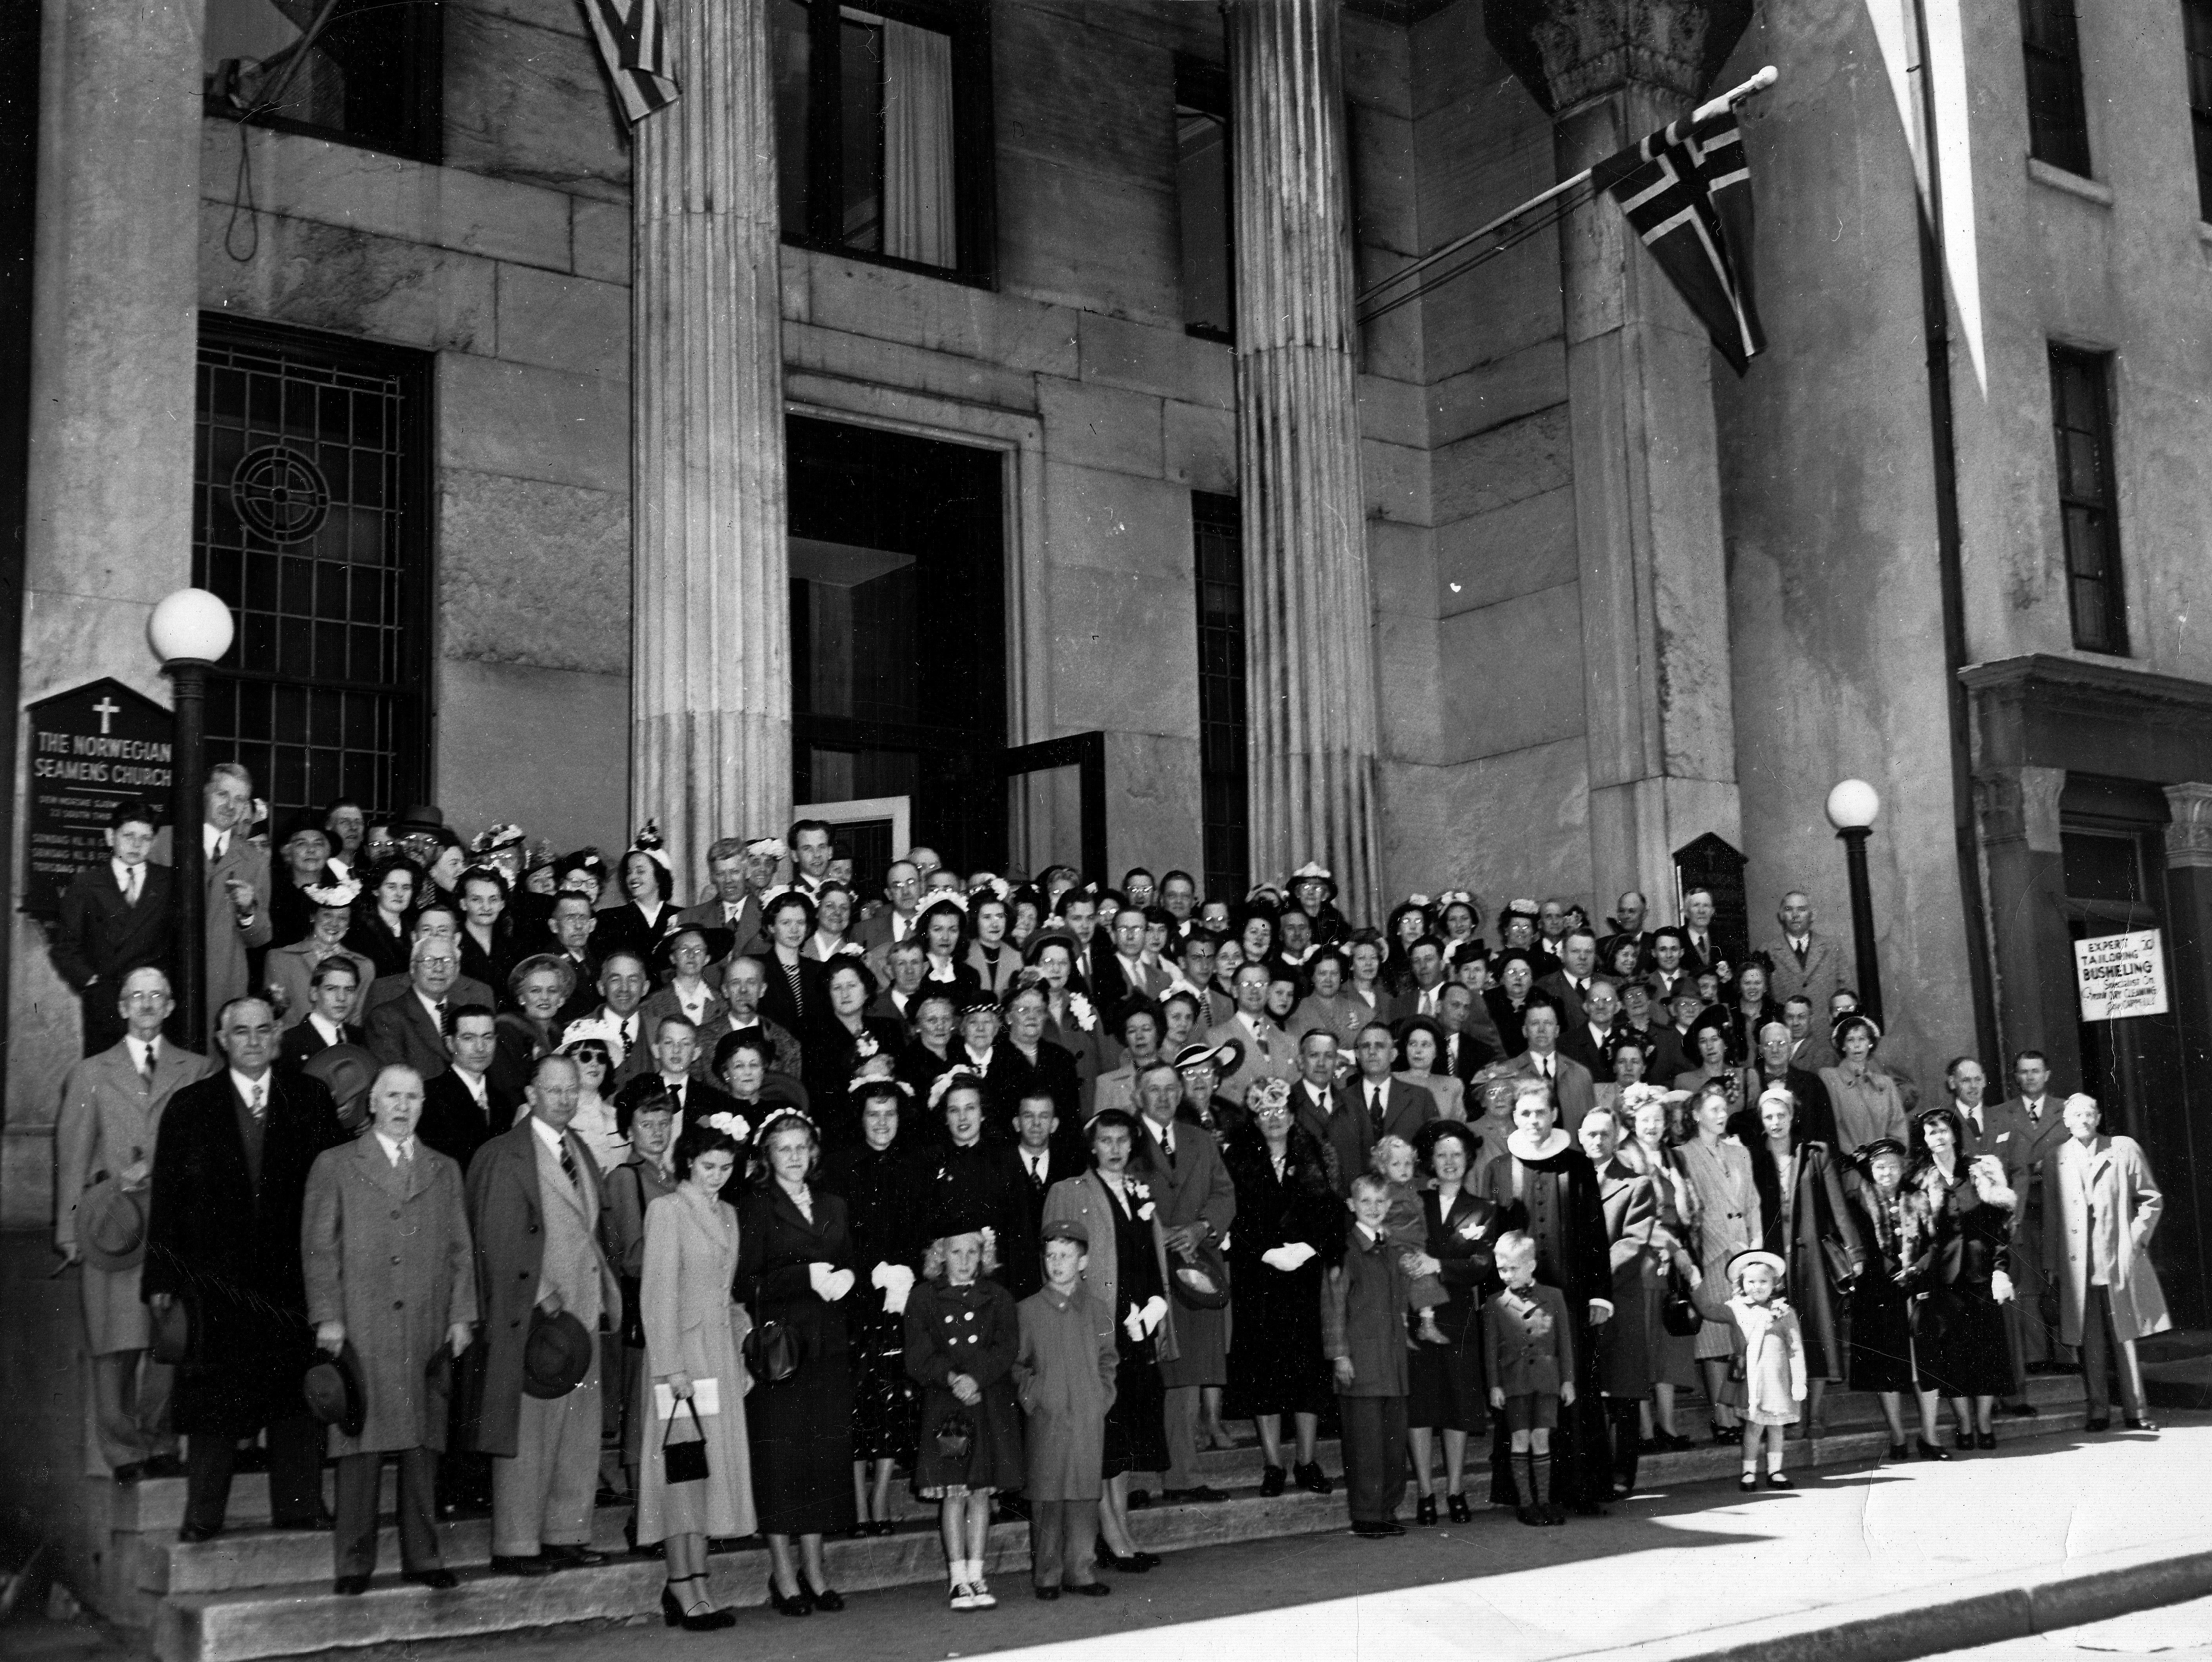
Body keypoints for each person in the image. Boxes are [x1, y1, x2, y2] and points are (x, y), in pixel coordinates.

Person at [142, 994, 346, 1540]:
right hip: (216, 1285)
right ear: (222, 1038)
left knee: (293, 1398)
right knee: (214, 1405)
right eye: (241, 1030)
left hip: (291, 1280)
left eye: (263, 1029)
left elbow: (333, 1198)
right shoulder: (190, 1106)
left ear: (278, 1036)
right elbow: (166, 1198)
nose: (253, 1040)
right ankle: (202, 1515)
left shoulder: (310, 1098)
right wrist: (161, 1278)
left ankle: (300, 1506)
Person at [301, 1063, 478, 1594]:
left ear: (424, 1105)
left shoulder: (443, 1168)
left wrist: (461, 1315)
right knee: (360, 1443)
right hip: (362, 1322)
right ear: (372, 1103)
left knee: (425, 1443)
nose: (403, 1106)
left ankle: (423, 1556)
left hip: (426, 1323)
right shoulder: (336, 1164)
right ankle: (354, 1562)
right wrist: (327, 1315)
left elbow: (460, 1249)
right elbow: (319, 1246)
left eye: (413, 1097)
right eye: (393, 1096)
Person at [466, 1053, 621, 1577]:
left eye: (570, 1090)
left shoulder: (579, 1149)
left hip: (584, 1310)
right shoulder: (503, 1154)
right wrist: (540, 1293)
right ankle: (515, 1542)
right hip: (533, 1316)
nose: (563, 1098)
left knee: (578, 1429)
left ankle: (565, 1534)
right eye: (552, 1090)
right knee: (528, 1432)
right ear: (530, 1093)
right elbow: (491, 1238)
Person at [54, 967, 212, 1480]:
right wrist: (67, 1229)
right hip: (113, 1226)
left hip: (175, 1223)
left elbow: (209, 1152)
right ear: (122, 1007)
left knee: (167, 1336)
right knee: (116, 1341)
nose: (146, 1004)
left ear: (169, 1007)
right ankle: (123, 1448)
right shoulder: (91, 1072)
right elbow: (72, 1156)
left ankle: (162, 1440)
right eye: (136, 996)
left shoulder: (198, 1069)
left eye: (156, 996)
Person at [636, 1109, 756, 1631]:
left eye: (726, 1166)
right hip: (681, 1359)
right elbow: (656, 1296)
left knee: (705, 1474)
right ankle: (681, 1585)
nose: (717, 1175)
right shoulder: (667, 1209)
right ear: (688, 1162)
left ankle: (699, 1579)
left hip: (719, 1358)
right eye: (708, 1165)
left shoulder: (729, 1213)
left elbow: (726, 1292)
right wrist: (670, 1367)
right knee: (682, 1473)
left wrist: (744, 1343)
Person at [736, 1108, 858, 1614]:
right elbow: (746, 1282)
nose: (792, 1156)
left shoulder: (832, 1202)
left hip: (828, 1347)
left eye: (800, 1147)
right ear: (768, 1154)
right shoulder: (756, 1205)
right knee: (782, 1461)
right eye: (782, 1148)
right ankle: (783, 1575)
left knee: (822, 1461)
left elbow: (850, 1256)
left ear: (813, 1151)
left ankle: (815, 1569)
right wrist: (802, 1277)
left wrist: (849, 1276)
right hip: (781, 1351)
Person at [1040, 1109, 1170, 1577]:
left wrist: (1158, 1306)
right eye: (1106, 1141)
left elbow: (1150, 1257)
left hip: (1135, 1331)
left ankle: (1123, 1531)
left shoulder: (1140, 1190)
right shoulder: (1068, 1192)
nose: (1114, 1148)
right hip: (1091, 1332)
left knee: (1124, 1436)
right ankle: (1112, 1538)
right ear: (1093, 1145)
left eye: (1122, 1141)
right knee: (1101, 1435)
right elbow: (1055, 1266)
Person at [1478, 1080, 1616, 1514]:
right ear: (1513, 1118)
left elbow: (1596, 1234)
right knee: (1523, 1399)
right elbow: (1491, 1239)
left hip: (1570, 1301)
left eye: (1540, 1112)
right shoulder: (1499, 1168)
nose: (1533, 1121)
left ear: (1554, 1115)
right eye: (1525, 1114)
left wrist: (1599, 1294)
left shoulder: (1577, 1164)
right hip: (1517, 1306)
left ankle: (1581, 1489)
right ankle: (1525, 1495)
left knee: (1574, 1390)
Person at [1221, 1078, 1343, 1497]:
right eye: (1264, 1113)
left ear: (1292, 1114)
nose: (1273, 1119)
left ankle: (1307, 1462)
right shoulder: (1237, 1158)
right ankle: (1273, 1464)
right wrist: (1265, 1252)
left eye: (1280, 1111)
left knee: (1307, 1368)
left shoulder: (1316, 1153)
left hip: (1304, 1274)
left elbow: (1331, 1211)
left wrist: (1308, 1248)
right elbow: (1233, 1215)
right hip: (1258, 1276)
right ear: (1254, 1119)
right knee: (1263, 1369)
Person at [819, 1078, 927, 1536]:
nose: (882, 1124)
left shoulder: (914, 1164)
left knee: (892, 1399)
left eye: (890, 1115)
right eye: (873, 1114)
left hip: (900, 1297)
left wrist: (907, 1275)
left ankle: (881, 1494)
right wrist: (871, 1272)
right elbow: (835, 1233)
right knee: (856, 1399)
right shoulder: (840, 1167)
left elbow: (922, 1230)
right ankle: (856, 1498)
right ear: (860, 1118)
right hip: (854, 1297)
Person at [1128, 1060, 1236, 1502]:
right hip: (1145, 1268)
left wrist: (1200, 1229)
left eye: (1172, 1089)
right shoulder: (1124, 1139)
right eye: (1154, 1090)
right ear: (1138, 1095)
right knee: (1142, 1374)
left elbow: (1224, 1193)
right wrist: (1162, 1235)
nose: (1164, 1097)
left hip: (1196, 1269)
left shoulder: (1201, 1140)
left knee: (1188, 1376)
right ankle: (1136, 1478)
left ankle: (1183, 1476)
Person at [905, 1221, 1024, 1613]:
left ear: (984, 1254)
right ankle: (958, 1579)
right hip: (948, 1409)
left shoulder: (999, 1296)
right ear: (940, 1254)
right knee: (954, 1492)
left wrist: (977, 1377)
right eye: (955, 1251)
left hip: (987, 1403)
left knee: (979, 1492)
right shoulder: (924, 1297)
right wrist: (953, 1378)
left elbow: (1007, 1347)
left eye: (973, 1251)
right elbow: (918, 1355)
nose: (964, 1260)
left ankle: (978, 1573)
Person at [1580, 1105, 1693, 1499]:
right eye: (1590, 1134)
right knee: (1589, 1390)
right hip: (1579, 1301)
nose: (1597, 1141)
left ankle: (1622, 1473)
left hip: (1620, 1295)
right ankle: (1591, 1473)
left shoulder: (1637, 1184)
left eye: (1604, 1134)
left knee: (1624, 1389)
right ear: (1580, 1136)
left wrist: (1590, 1279)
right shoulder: (1568, 1181)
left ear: (1616, 1138)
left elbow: (1633, 1242)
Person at [2045, 1092, 2169, 1433]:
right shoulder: (2055, 1156)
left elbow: (2151, 1200)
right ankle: (2098, 1410)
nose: (2083, 1120)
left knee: (2125, 1336)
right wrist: (2051, 1266)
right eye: (2076, 1115)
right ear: (2065, 1121)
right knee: (2091, 1341)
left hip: (2116, 1258)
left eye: (2089, 1114)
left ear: (2098, 1118)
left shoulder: (2122, 1148)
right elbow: (2053, 1217)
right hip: (2077, 1265)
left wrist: (2135, 1240)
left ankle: (2137, 1410)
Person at [1746, 1084, 1864, 1435]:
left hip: (1809, 1257)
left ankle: (1814, 1414)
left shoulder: (1815, 1154)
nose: (1776, 1122)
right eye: (1769, 1116)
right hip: (1769, 1262)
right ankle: (1790, 1413)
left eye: (1782, 1114)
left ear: (1792, 1116)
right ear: (1762, 1121)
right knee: (1779, 1338)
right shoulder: (1752, 1156)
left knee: (1816, 1334)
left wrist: (1854, 1251)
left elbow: (1837, 1205)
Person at [1402, 1120, 1503, 1524]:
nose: (1448, 1162)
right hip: (1417, 1312)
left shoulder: (1483, 1209)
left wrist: (1438, 1264)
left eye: (1456, 1155)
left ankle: (1456, 1491)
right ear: (1430, 1160)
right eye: (1442, 1155)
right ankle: (1427, 1493)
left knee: (1459, 1405)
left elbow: (1482, 1263)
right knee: (1422, 1406)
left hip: (1459, 1314)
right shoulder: (1413, 1201)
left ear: (1468, 1160)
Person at [1015, 1220, 1118, 1600]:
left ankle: (1081, 1569)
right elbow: (1017, 1364)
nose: (1057, 1263)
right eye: (1051, 1256)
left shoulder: (1097, 1308)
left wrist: (1102, 1396)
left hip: (1088, 1417)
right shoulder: (1027, 1310)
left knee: (1084, 1494)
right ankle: (1047, 1574)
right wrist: (1036, 1394)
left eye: (1066, 1256)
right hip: (1049, 1416)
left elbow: (1109, 1359)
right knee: (1048, 1496)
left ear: (1084, 1260)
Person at [1908, 1104, 2018, 1449]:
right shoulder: (1919, 1180)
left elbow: (1999, 1229)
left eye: (1943, 1130)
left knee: (1987, 1351)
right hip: (1942, 1278)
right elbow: (1917, 1236)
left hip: (1981, 1272)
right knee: (1953, 1353)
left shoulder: (1980, 1171)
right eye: (1931, 1132)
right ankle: (1965, 1423)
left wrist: (2001, 1271)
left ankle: (1985, 1421)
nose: (1938, 1137)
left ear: (1954, 1133)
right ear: (1925, 1140)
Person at [1842, 1136, 1950, 1459]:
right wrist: (1891, 1271)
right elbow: (1860, 1245)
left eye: (1892, 1166)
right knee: (1886, 1364)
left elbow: (1936, 1239)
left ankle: (1930, 1436)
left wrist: (1917, 1269)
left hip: (1919, 1290)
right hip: (1879, 1291)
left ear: (1902, 1168)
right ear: (1870, 1170)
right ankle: (1898, 1434)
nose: (1886, 1172)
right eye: (1879, 1166)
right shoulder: (1859, 1202)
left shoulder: (1919, 1197)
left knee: (1927, 1363)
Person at [600, 1083, 679, 1509]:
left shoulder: (675, 1176)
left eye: (664, 1123)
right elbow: (632, 1257)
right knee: (642, 1413)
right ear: (629, 1129)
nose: (656, 1132)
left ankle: (671, 1509)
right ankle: (640, 1511)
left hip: (678, 1308)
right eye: (646, 1124)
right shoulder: (625, 1178)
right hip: (644, 1311)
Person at [1326, 1172, 1413, 1538]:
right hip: (1360, 1363)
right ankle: (1366, 1513)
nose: (1374, 1208)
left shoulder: (1394, 1248)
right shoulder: (1343, 1250)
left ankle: (1388, 1508)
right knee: (1365, 1444)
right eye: (1366, 1201)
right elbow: (1332, 1306)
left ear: (1389, 1205)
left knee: (1393, 1444)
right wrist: (1339, 1355)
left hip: (1392, 1365)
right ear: (1352, 1205)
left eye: (1381, 1201)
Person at [52, 799, 175, 1056]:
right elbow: (66, 948)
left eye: (146, 837)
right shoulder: (86, 885)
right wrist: (93, 985)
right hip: (107, 1005)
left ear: (153, 842)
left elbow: (181, 944)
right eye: (128, 835)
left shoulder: (169, 883)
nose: (137, 844)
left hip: (154, 1002)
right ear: (110, 836)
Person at [1615, 1087, 1700, 1449]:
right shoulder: (1625, 1159)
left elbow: (1690, 1211)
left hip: (1675, 1265)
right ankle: (1646, 1430)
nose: (1652, 1125)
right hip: (1645, 1262)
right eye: (1645, 1119)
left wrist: (1684, 1252)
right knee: (1645, 1346)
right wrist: (1674, 1249)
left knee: (1668, 1347)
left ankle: (1666, 1424)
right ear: (1633, 1122)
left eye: (1658, 1119)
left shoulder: (1674, 1159)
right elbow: (1634, 1217)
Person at [1675, 1082, 1761, 1443]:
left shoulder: (1740, 1152)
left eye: (1724, 1108)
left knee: (1742, 1337)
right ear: (1696, 1115)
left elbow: (1753, 1202)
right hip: (1710, 1256)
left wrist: (1756, 1249)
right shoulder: (1682, 1154)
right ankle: (1721, 1418)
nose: (1722, 1114)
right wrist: (1721, 1245)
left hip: (1744, 1258)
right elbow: (1687, 1208)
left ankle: (1741, 1412)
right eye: (1713, 1109)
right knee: (1714, 1340)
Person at [1986, 1050, 2073, 1383]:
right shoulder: (1999, 1114)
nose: (2030, 1077)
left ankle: (2068, 1352)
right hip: (2020, 1206)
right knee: (2026, 1278)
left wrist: (2047, 1166)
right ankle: (2035, 1354)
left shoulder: (2066, 1110)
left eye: (2036, 1071)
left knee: (2063, 1275)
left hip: (2059, 1204)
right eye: (2023, 1072)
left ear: (2048, 1074)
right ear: (2015, 1077)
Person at [1483, 1230, 1574, 1525]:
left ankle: (1545, 1500)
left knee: (1542, 1437)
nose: (1507, 1275)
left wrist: (1568, 1380)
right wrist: (1495, 1385)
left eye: (1513, 1268)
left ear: (1531, 1266)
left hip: (1547, 1380)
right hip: (1515, 1382)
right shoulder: (1495, 1304)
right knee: (1520, 1438)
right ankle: (1526, 1503)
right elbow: (1490, 1350)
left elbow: (1564, 1342)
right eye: (1502, 1268)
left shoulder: (1554, 1296)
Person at [197, 764, 275, 1046]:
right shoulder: (166, 842)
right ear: (205, 793)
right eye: (223, 794)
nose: (231, 805)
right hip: (171, 981)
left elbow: (262, 936)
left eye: (240, 799)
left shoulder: (254, 859)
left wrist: (248, 912)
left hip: (224, 984)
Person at [1722, 1249, 1805, 1490]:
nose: (1758, 1287)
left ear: (1774, 1284)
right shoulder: (1738, 1309)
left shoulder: (1785, 1312)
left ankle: (1775, 1471)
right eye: (1751, 1282)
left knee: (1777, 1426)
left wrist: (1799, 1381)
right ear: (1742, 1284)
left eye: (1764, 1282)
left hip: (1778, 1382)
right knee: (1754, 1426)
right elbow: (1710, 1311)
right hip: (1755, 1381)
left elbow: (1796, 1348)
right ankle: (1748, 1472)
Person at [1367, 1135, 1452, 1344]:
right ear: (1384, 1168)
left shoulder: (1412, 1184)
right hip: (1396, 1244)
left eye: (1408, 1164)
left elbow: (1418, 1182)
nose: (1404, 1169)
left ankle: (1428, 1324)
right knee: (1401, 1284)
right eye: (1396, 1164)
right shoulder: (1384, 1190)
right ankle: (1402, 1330)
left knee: (1426, 1279)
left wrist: (1429, 1182)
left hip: (1416, 1244)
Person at [416, 1005, 511, 1176]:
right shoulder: (429, 1096)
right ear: (450, 1043)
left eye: (488, 1038)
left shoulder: (503, 1100)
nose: (481, 1048)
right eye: (469, 1038)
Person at [366, 937, 463, 1081]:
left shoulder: (462, 1015)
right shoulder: (386, 1017)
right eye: (429, 961)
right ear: (413, 968)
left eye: (447, 961)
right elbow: (394, 1080)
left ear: (457, 970)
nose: (439, 968)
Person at [1822, 1013, 1908, 1156]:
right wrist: (1859, 1158)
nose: (1857, 1045)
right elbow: (1834, 1129)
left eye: (1862, 1039)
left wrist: (1886, 1158)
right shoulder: (1830, 1078)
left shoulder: (1886, 1083)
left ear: (1870, 1043)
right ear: (1843, 1046)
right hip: (1850, 1165)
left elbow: (1898, 1128)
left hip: (1885, 1165)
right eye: (1850, 1040)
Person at [1760, 892, 1847, 1020]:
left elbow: (1845, 992)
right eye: (1789, 910)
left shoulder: (1833, 947)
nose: (1795, 915)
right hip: (1788, 1032)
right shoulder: (1766, 951)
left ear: (1813, 915)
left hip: (1825, 1030)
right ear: (1781, 916)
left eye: (1802, 909)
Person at [596, 833, 678, 963]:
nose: (633, 878)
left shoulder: (681, 916)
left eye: (640, 871)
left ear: (659, 878)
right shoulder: (608, 919)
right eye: (629, 872)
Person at [346, 858, 421, 984]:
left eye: (406, 888)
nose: (399, 894)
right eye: (392, 887)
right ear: (376, 890)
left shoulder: (417, 926)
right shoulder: (357, 931)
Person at [1395, 1015, 1464, 1121]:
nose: (1418, 1050)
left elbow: (1458, 1128)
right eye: (1413, 1044)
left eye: (1425, 1045)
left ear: (1437, 1052)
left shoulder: (1453, 1085)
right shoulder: (1392, 1080)